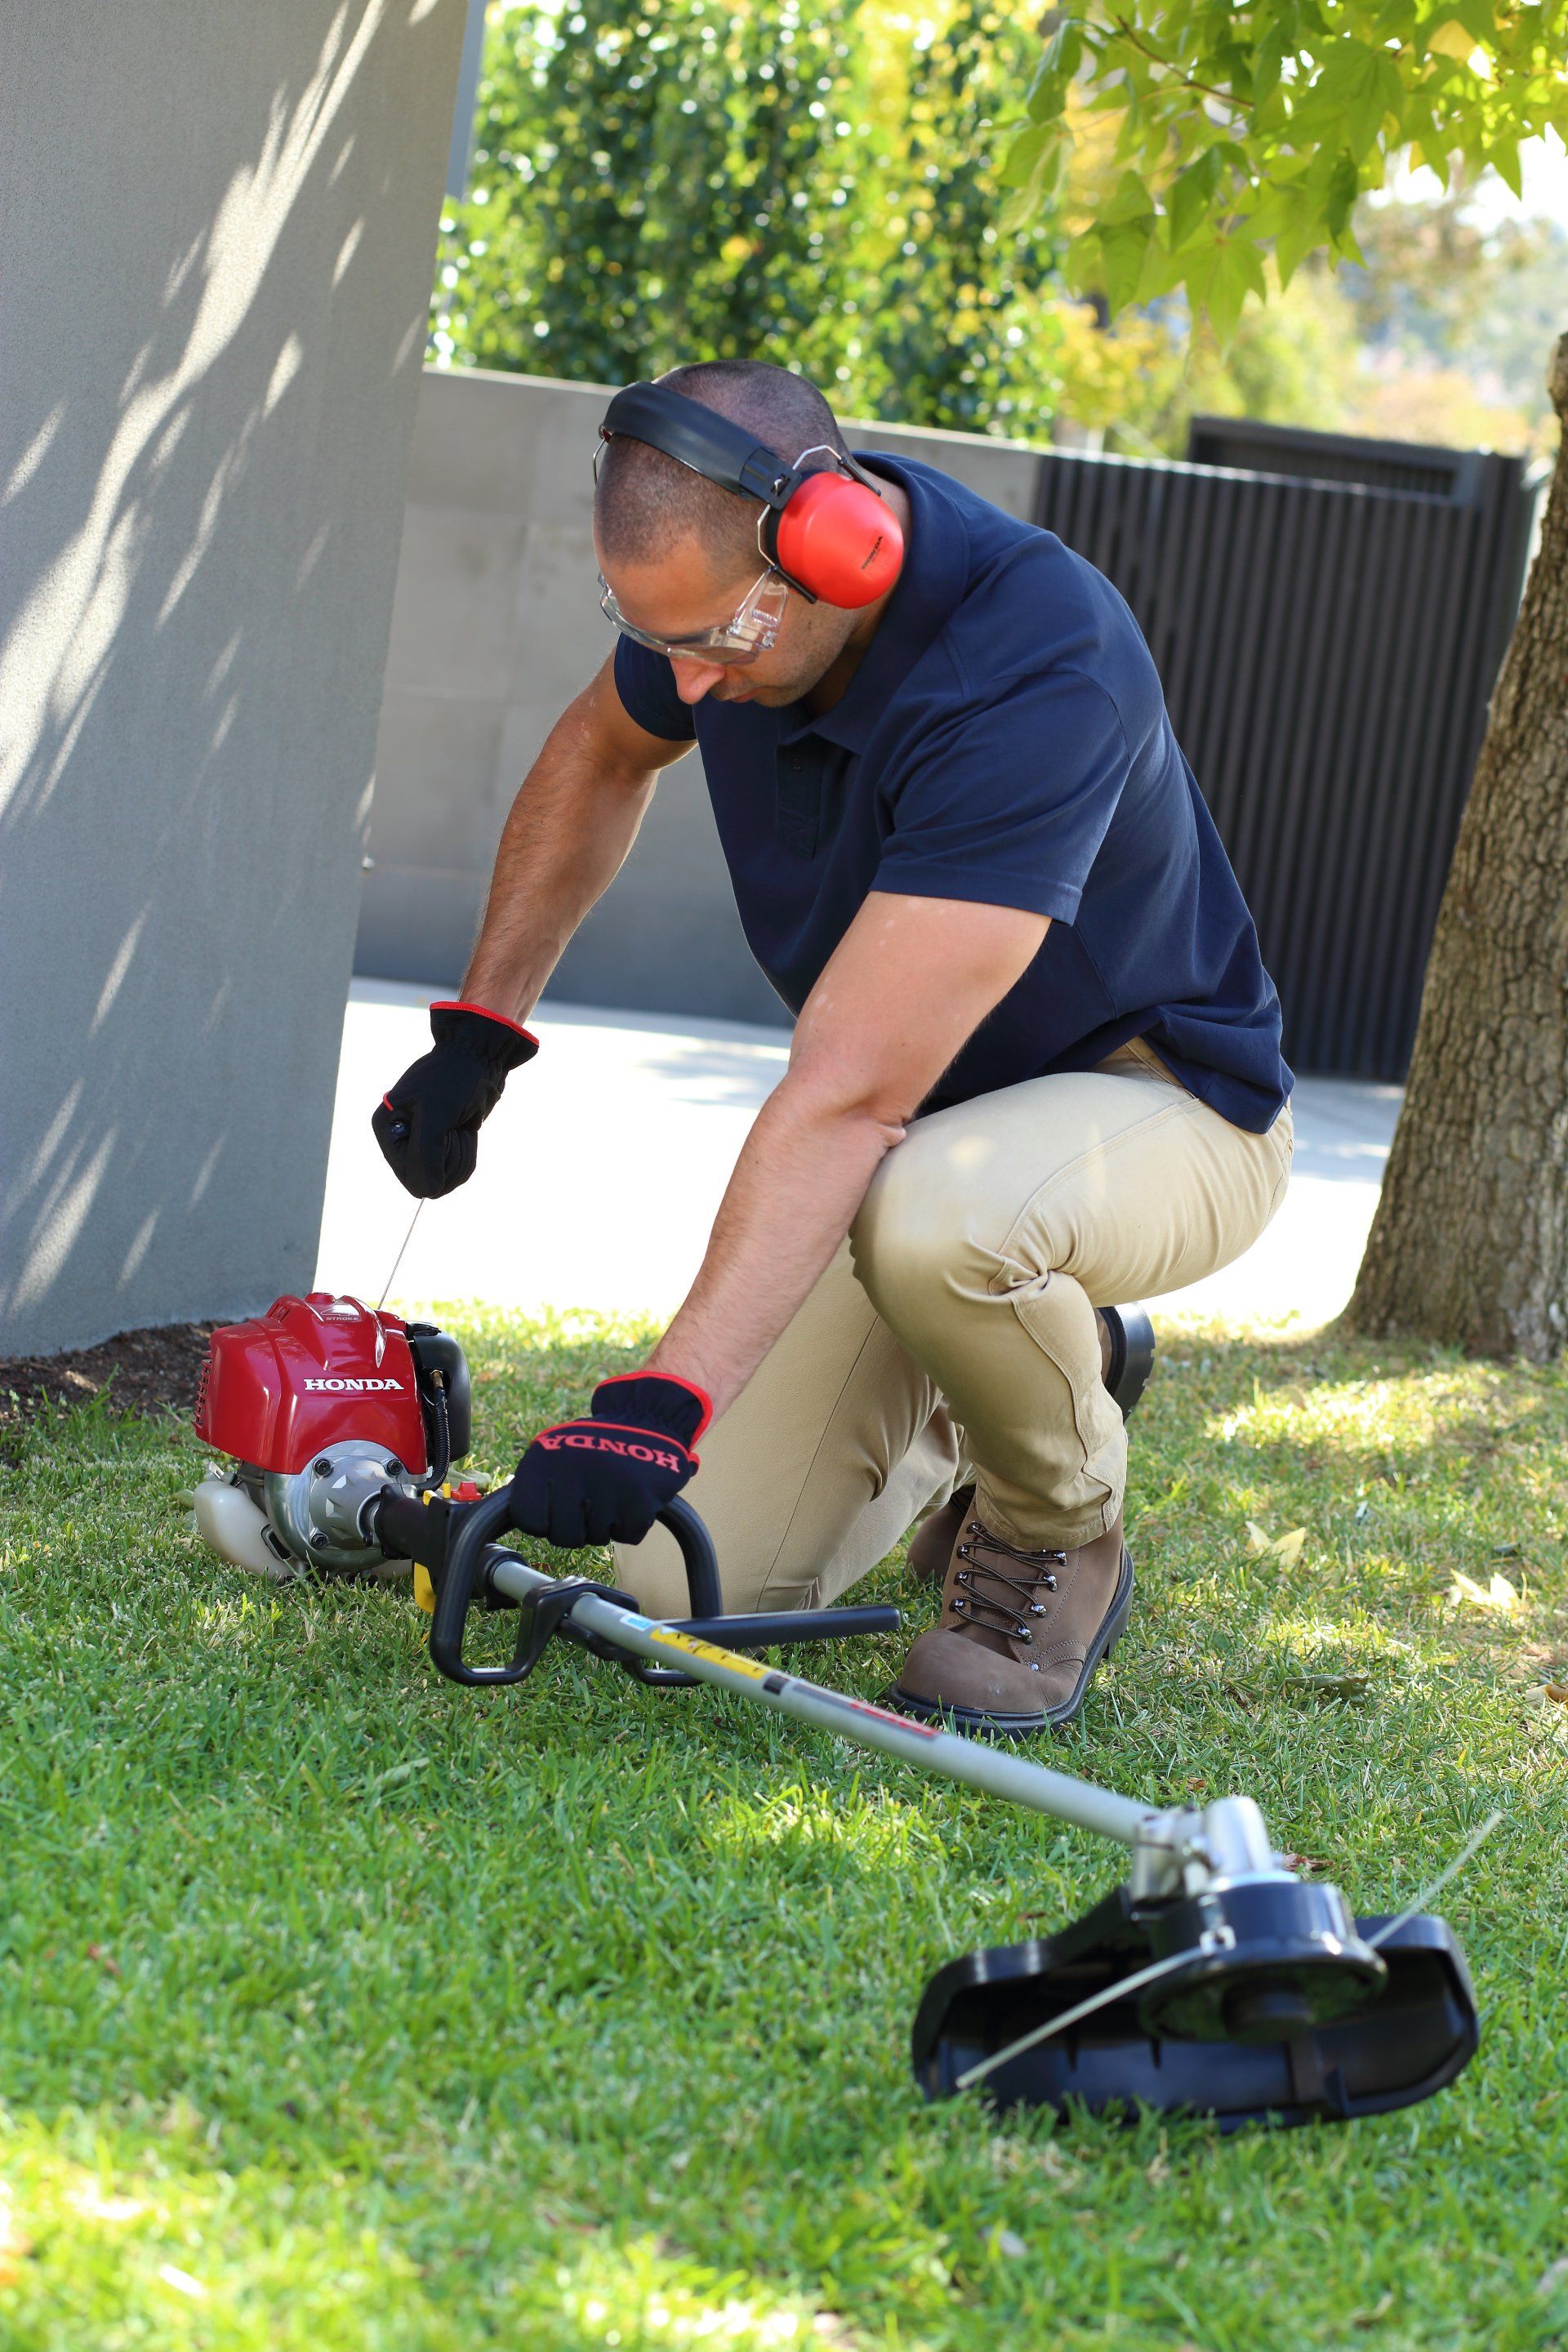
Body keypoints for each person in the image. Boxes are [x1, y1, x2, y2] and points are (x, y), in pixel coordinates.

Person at [373, 359, 1294, 1738]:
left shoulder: (1037, 663)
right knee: (680, 1595)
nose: (686, 679)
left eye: (719, 641)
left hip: (1163, 1105)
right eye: (652, 631)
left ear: (835, 545)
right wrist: (483, 1029)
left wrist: (660, 1398)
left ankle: (1056, 1522)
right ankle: (1036, 1363)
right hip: (925, 1141)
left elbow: (852, 1098)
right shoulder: (724, 610)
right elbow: (600, 753)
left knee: (946, 1218)